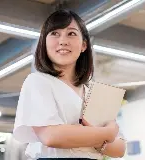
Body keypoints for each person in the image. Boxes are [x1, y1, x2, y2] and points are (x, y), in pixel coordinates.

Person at [12, 9, 126, 160]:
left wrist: (97, 140)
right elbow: (51, 136)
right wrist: (105, 134)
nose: (63, 41)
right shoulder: (37, 81)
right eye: (54, 33)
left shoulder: (93, 91)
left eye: (71, 33)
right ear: (44, 43)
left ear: (84, 45)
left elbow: (119, 148)